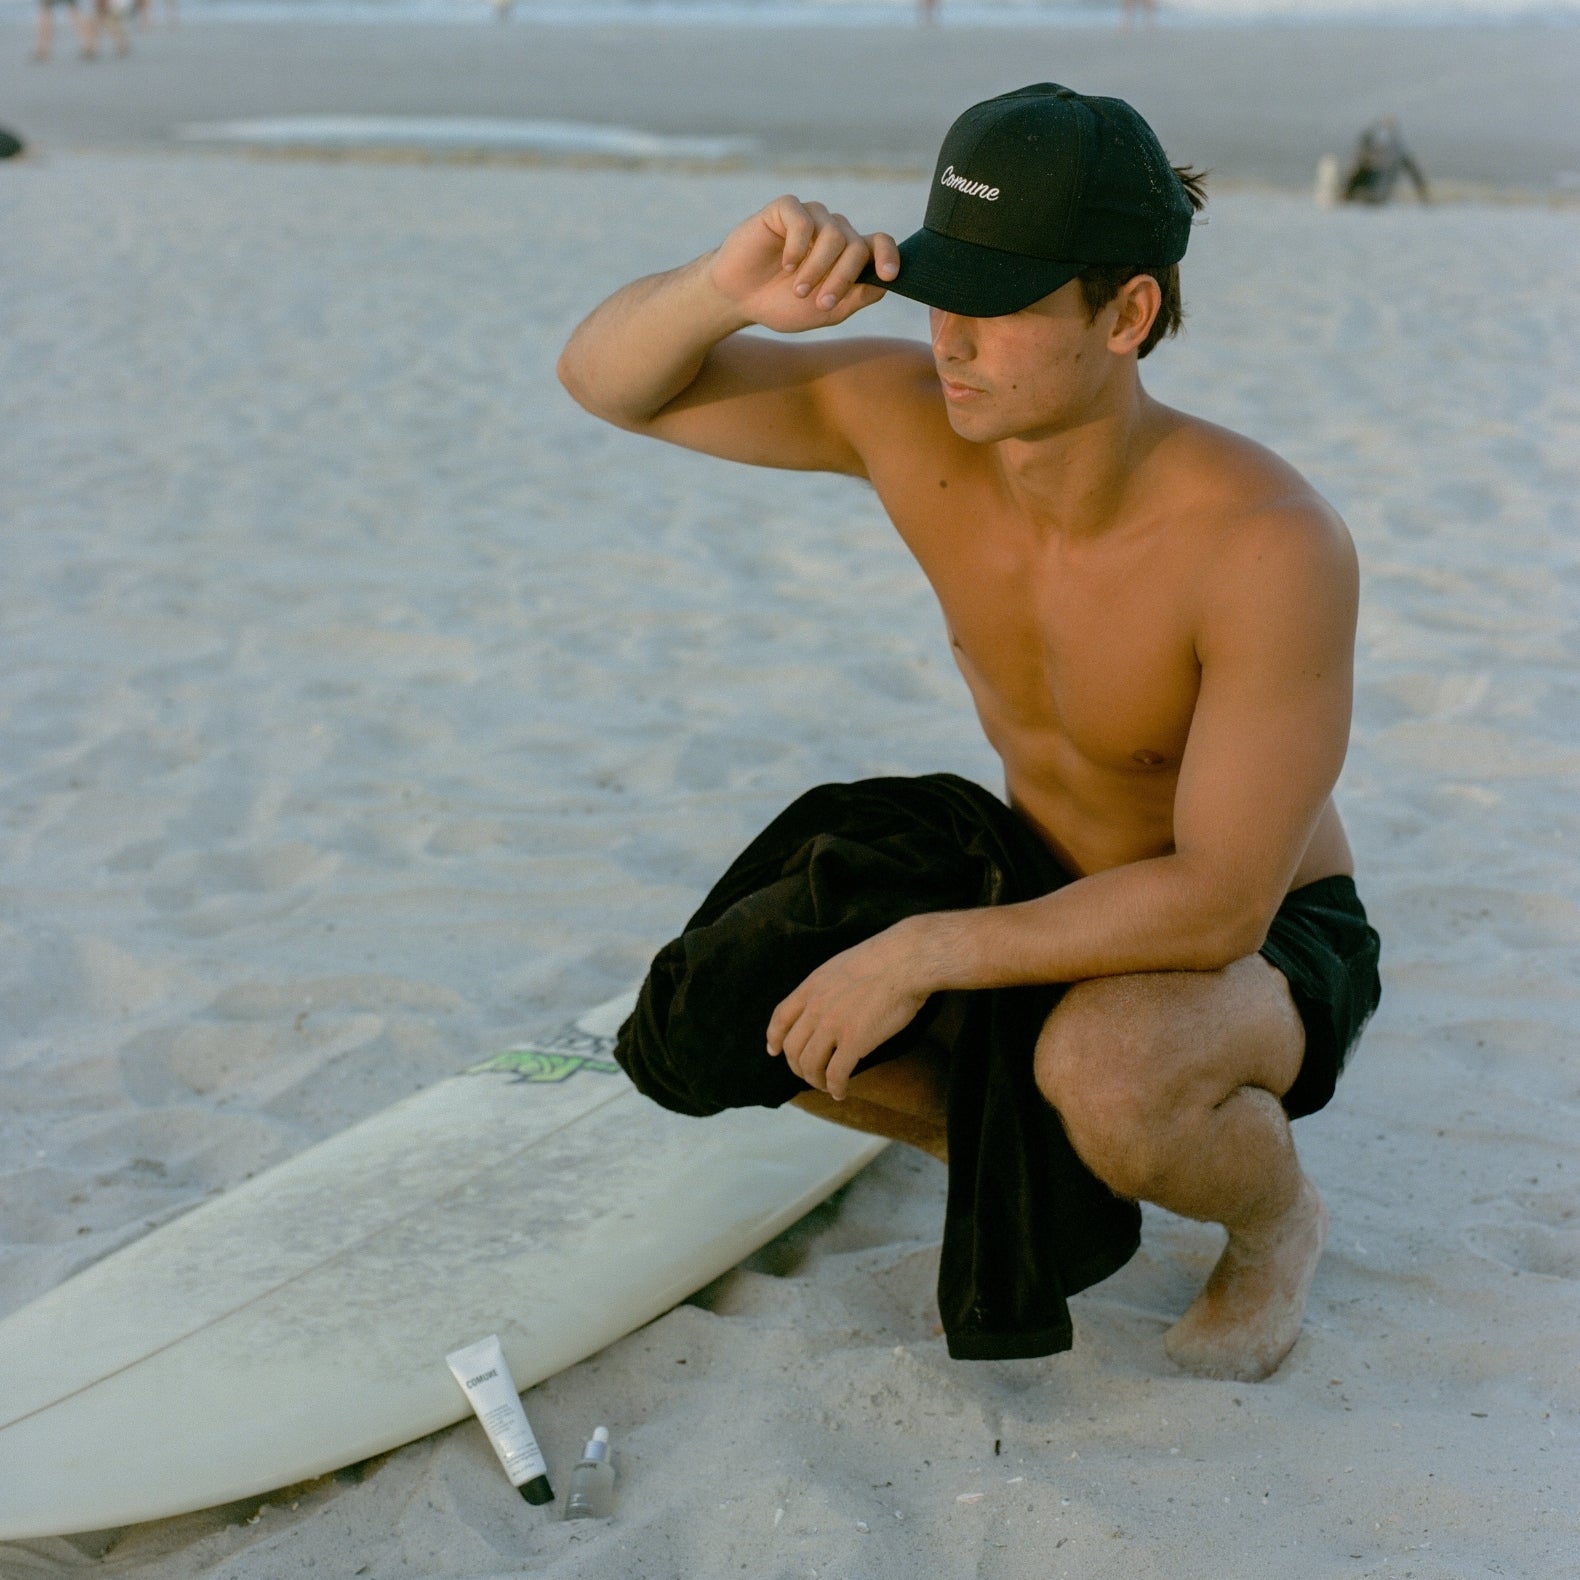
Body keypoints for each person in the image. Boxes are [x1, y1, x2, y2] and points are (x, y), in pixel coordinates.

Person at [557, 84, 1381, 1382]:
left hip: (1261, 933)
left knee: (1106, 1070)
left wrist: (928, 950)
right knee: (742, 1006)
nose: (951, 340)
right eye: (940, 289)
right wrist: (722, 287)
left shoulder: (1267, 543)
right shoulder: (906, 417)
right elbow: (609, 383)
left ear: (1127, 313)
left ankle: (1277, 1219)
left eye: (999, 308)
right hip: (1036, 867)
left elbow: (1221, 902)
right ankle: (1038, 1140)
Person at [1342, 117, 1429, 205]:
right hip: (1372, 185)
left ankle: (1368, 196)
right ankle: (1357, 196)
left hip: (1380, 187)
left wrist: (1422, 191)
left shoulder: (1396, 151)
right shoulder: (1366, 160)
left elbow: (1412, 170)